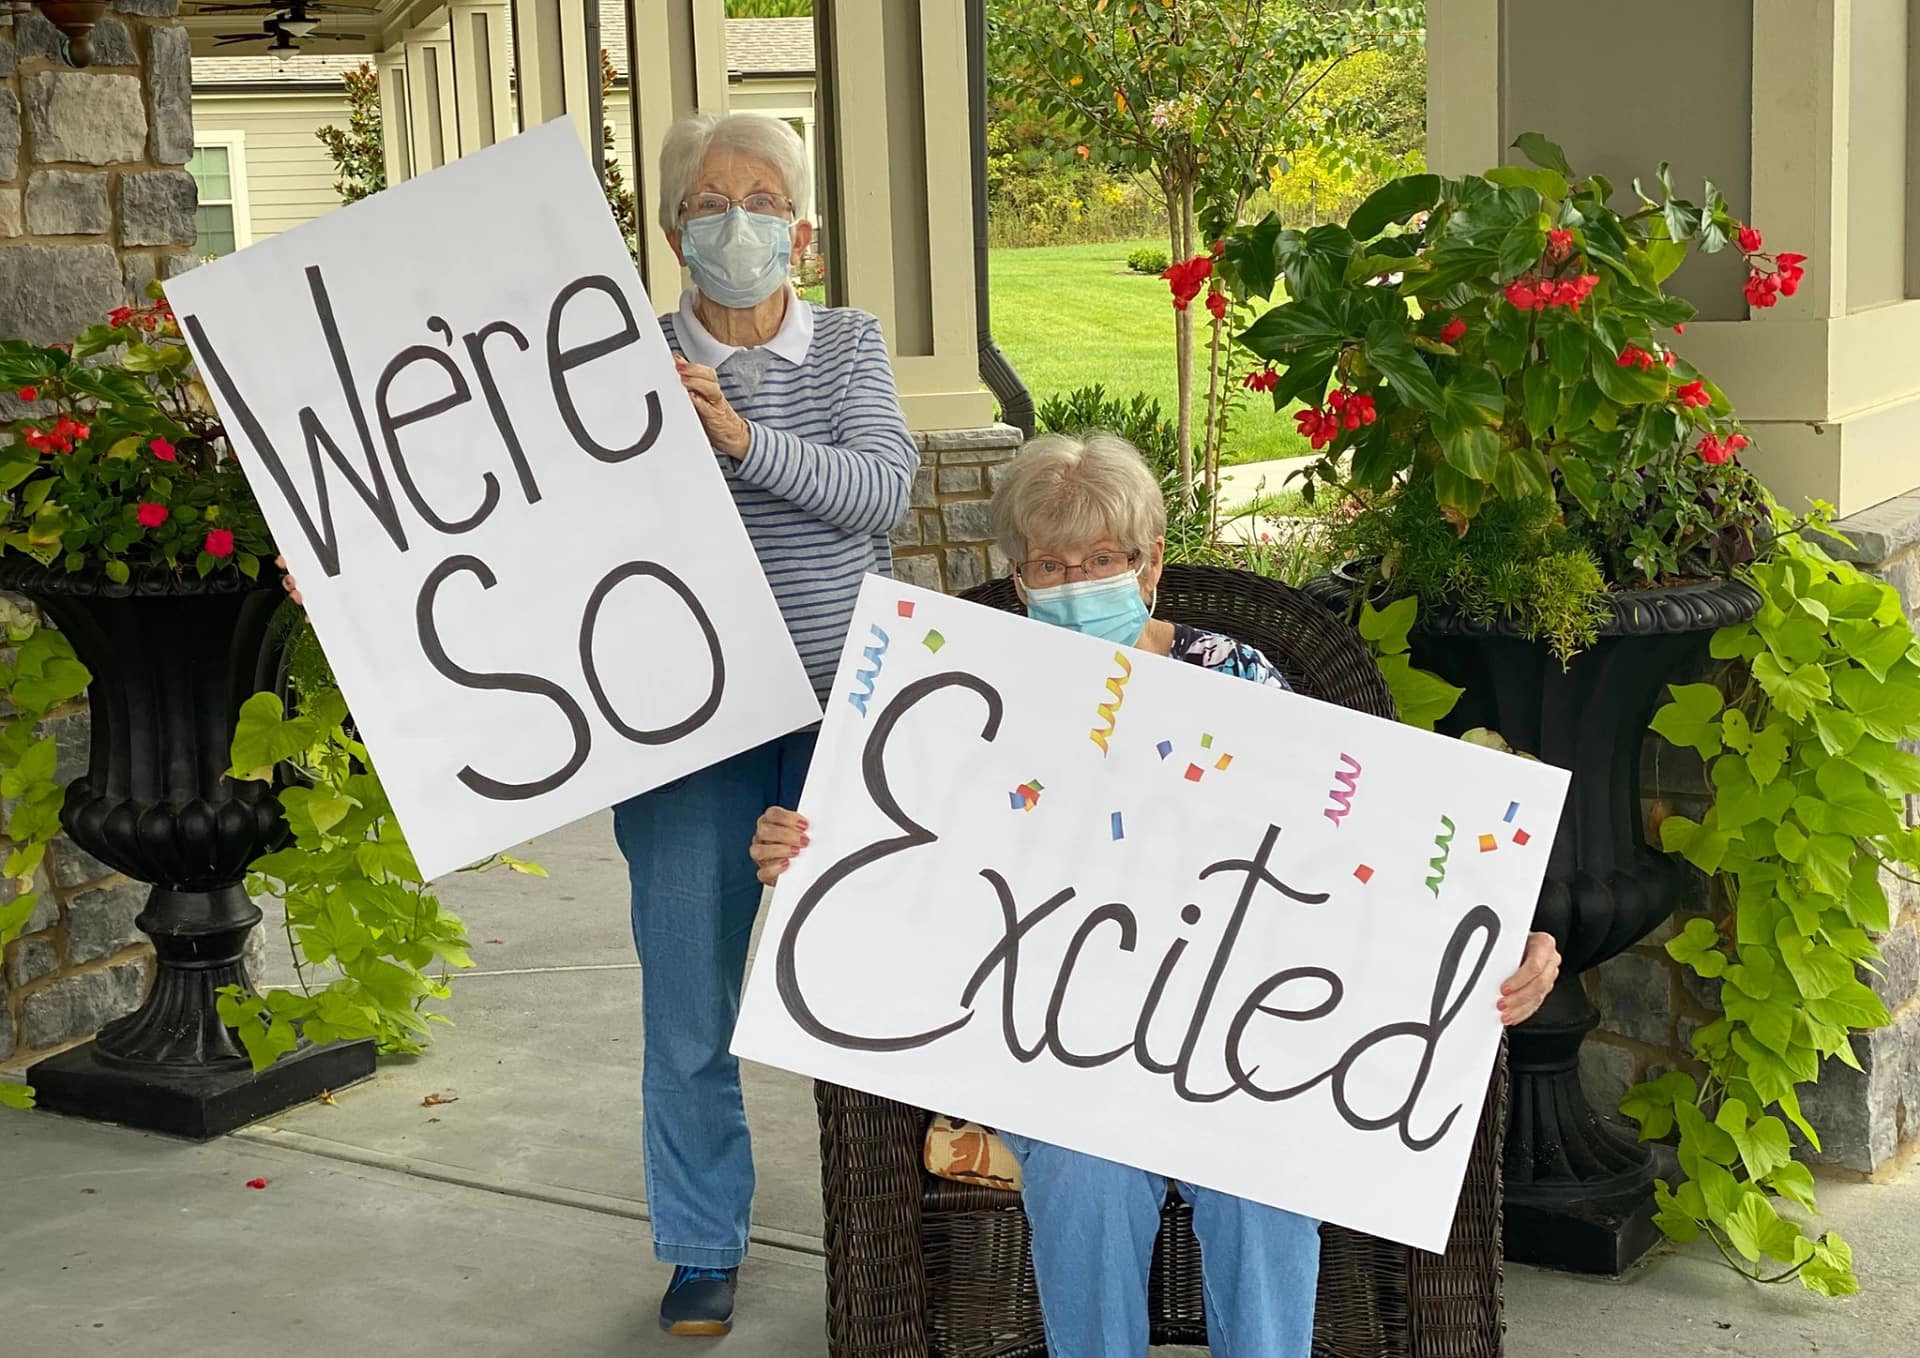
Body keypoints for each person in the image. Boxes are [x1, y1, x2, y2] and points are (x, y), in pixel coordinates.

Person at [285, 112, 917, 1339]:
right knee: (688, 992)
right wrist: (354, 554)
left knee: (873, 985)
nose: (738, 221)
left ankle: (894, 1225)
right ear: (673, 231)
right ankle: (701, 1243)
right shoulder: (604, 356)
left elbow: (881, 490)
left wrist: (736, 433)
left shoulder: (848, 346)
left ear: (802, 226)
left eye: (762, 198)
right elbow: (495, 509)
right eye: (709, 201)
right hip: (684, 722)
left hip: (845, 706)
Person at [748, 432, 1561, 1358]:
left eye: (1102, 559)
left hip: (1231, 1038)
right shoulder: (979, 700)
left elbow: (1361, 854)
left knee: (1263, 1184)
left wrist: (1505, 936)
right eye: (1049, 564)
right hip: (1046, 1046)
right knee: (1088, 1175)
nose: (1074, 580)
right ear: (1018, 580)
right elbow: (902, 860)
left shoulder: (1242, 680)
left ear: (1151, 566)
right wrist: (807, 854)